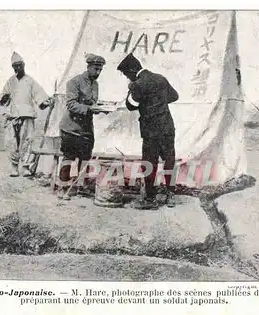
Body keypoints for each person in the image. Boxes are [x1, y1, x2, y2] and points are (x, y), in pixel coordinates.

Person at [117, 53, 179, 209]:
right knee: (169, 160)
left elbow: (131, 106)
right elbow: (174, 96)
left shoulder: (137, 84)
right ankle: (170, 195)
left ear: (131, 71)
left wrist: (131, 91)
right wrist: (158, 102)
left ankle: (150, 199)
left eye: (126, 74)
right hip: (167, 126)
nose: (127, 78)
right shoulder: (161, 78)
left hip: (151, 129)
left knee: (149, 163)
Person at [57, 53, 106, 200]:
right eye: (96, 69)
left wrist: (101, 109)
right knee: (69, 157)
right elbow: (71, 104)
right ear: (88, 67)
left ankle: (78, 186)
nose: (98, 73)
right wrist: (90, 109)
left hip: (86, 128)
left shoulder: (95, 85)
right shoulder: (74, 82)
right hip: (71, 127)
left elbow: (92, 104)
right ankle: (62, 187)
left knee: (84, 158)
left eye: (100, 70)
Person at [0, 51, 52, 177]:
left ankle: (26, 167)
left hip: (27, 115)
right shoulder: (10, 82)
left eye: (20, 65)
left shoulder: (30, 81)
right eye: (15, 66)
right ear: (13, 68)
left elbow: (40, 98)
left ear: (24, 65)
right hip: (12, 117)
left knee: (27, 141)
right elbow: (3, 102)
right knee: (12, 142)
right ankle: (14, 167)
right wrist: (5, 98)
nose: (18, 68)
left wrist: (46, 103)